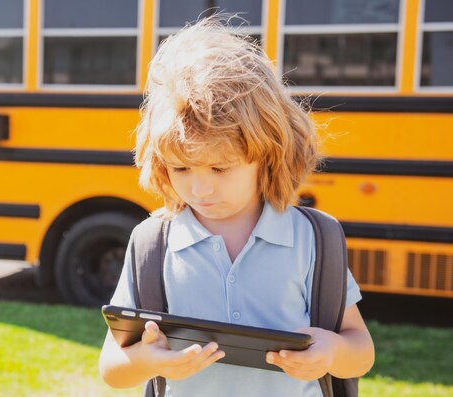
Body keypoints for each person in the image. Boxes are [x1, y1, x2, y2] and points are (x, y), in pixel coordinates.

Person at [99, 16, 375, 397]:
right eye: (181, 168)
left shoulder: (313, 238)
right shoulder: (153, 244)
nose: (200, 187)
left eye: (220, 167)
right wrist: (149, 361)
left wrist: (332, 352)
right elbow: (112, 368)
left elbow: (361, 351)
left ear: (269, 155)